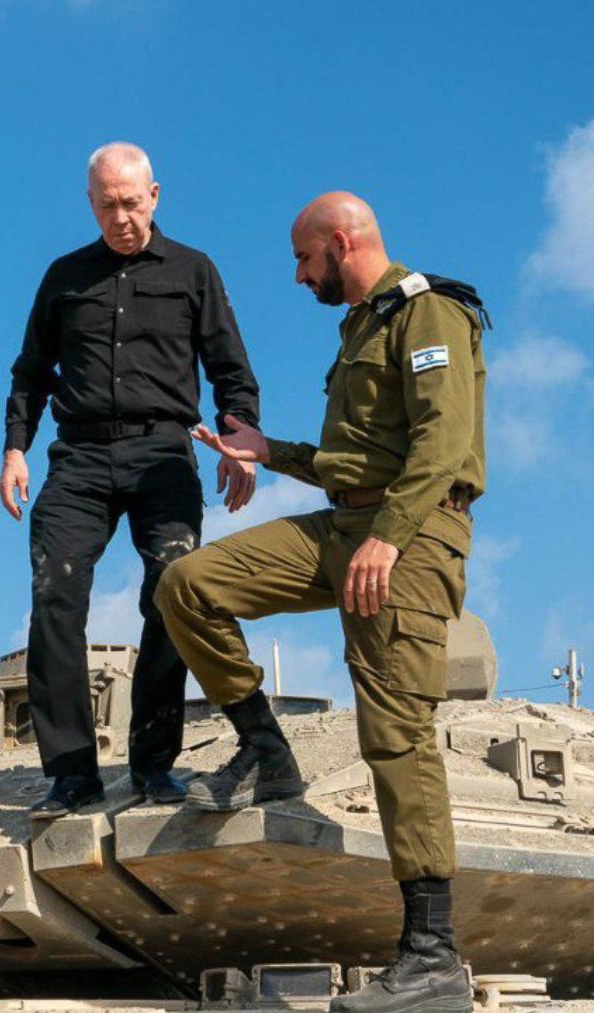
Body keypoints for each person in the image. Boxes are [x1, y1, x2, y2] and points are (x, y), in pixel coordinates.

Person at [154, 192, 487, 1013]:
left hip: (408, 536)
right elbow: (356, 456)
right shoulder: (361, 329)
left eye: (305, 260)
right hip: (345, 522)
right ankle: (267, 753)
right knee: (188, 585)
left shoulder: (430, 314)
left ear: (341, 242)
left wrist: (390, 537)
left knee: (395, 735)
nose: (300, 277)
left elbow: (440, 444)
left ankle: (434, 956)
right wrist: (273, 454)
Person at [0, 142, 262, 819]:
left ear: (155, 195)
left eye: (131, 201)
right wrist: (15, 450)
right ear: (91, 203)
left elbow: (230, 368)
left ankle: (153, 765)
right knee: (54, 592)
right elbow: (31, 372)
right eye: (106, 204)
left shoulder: (193, 270)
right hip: (79, 458)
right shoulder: (64, 276)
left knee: (173, 590)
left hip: (164, 453)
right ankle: (70, 777)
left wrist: (240, 445)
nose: (120, 216)